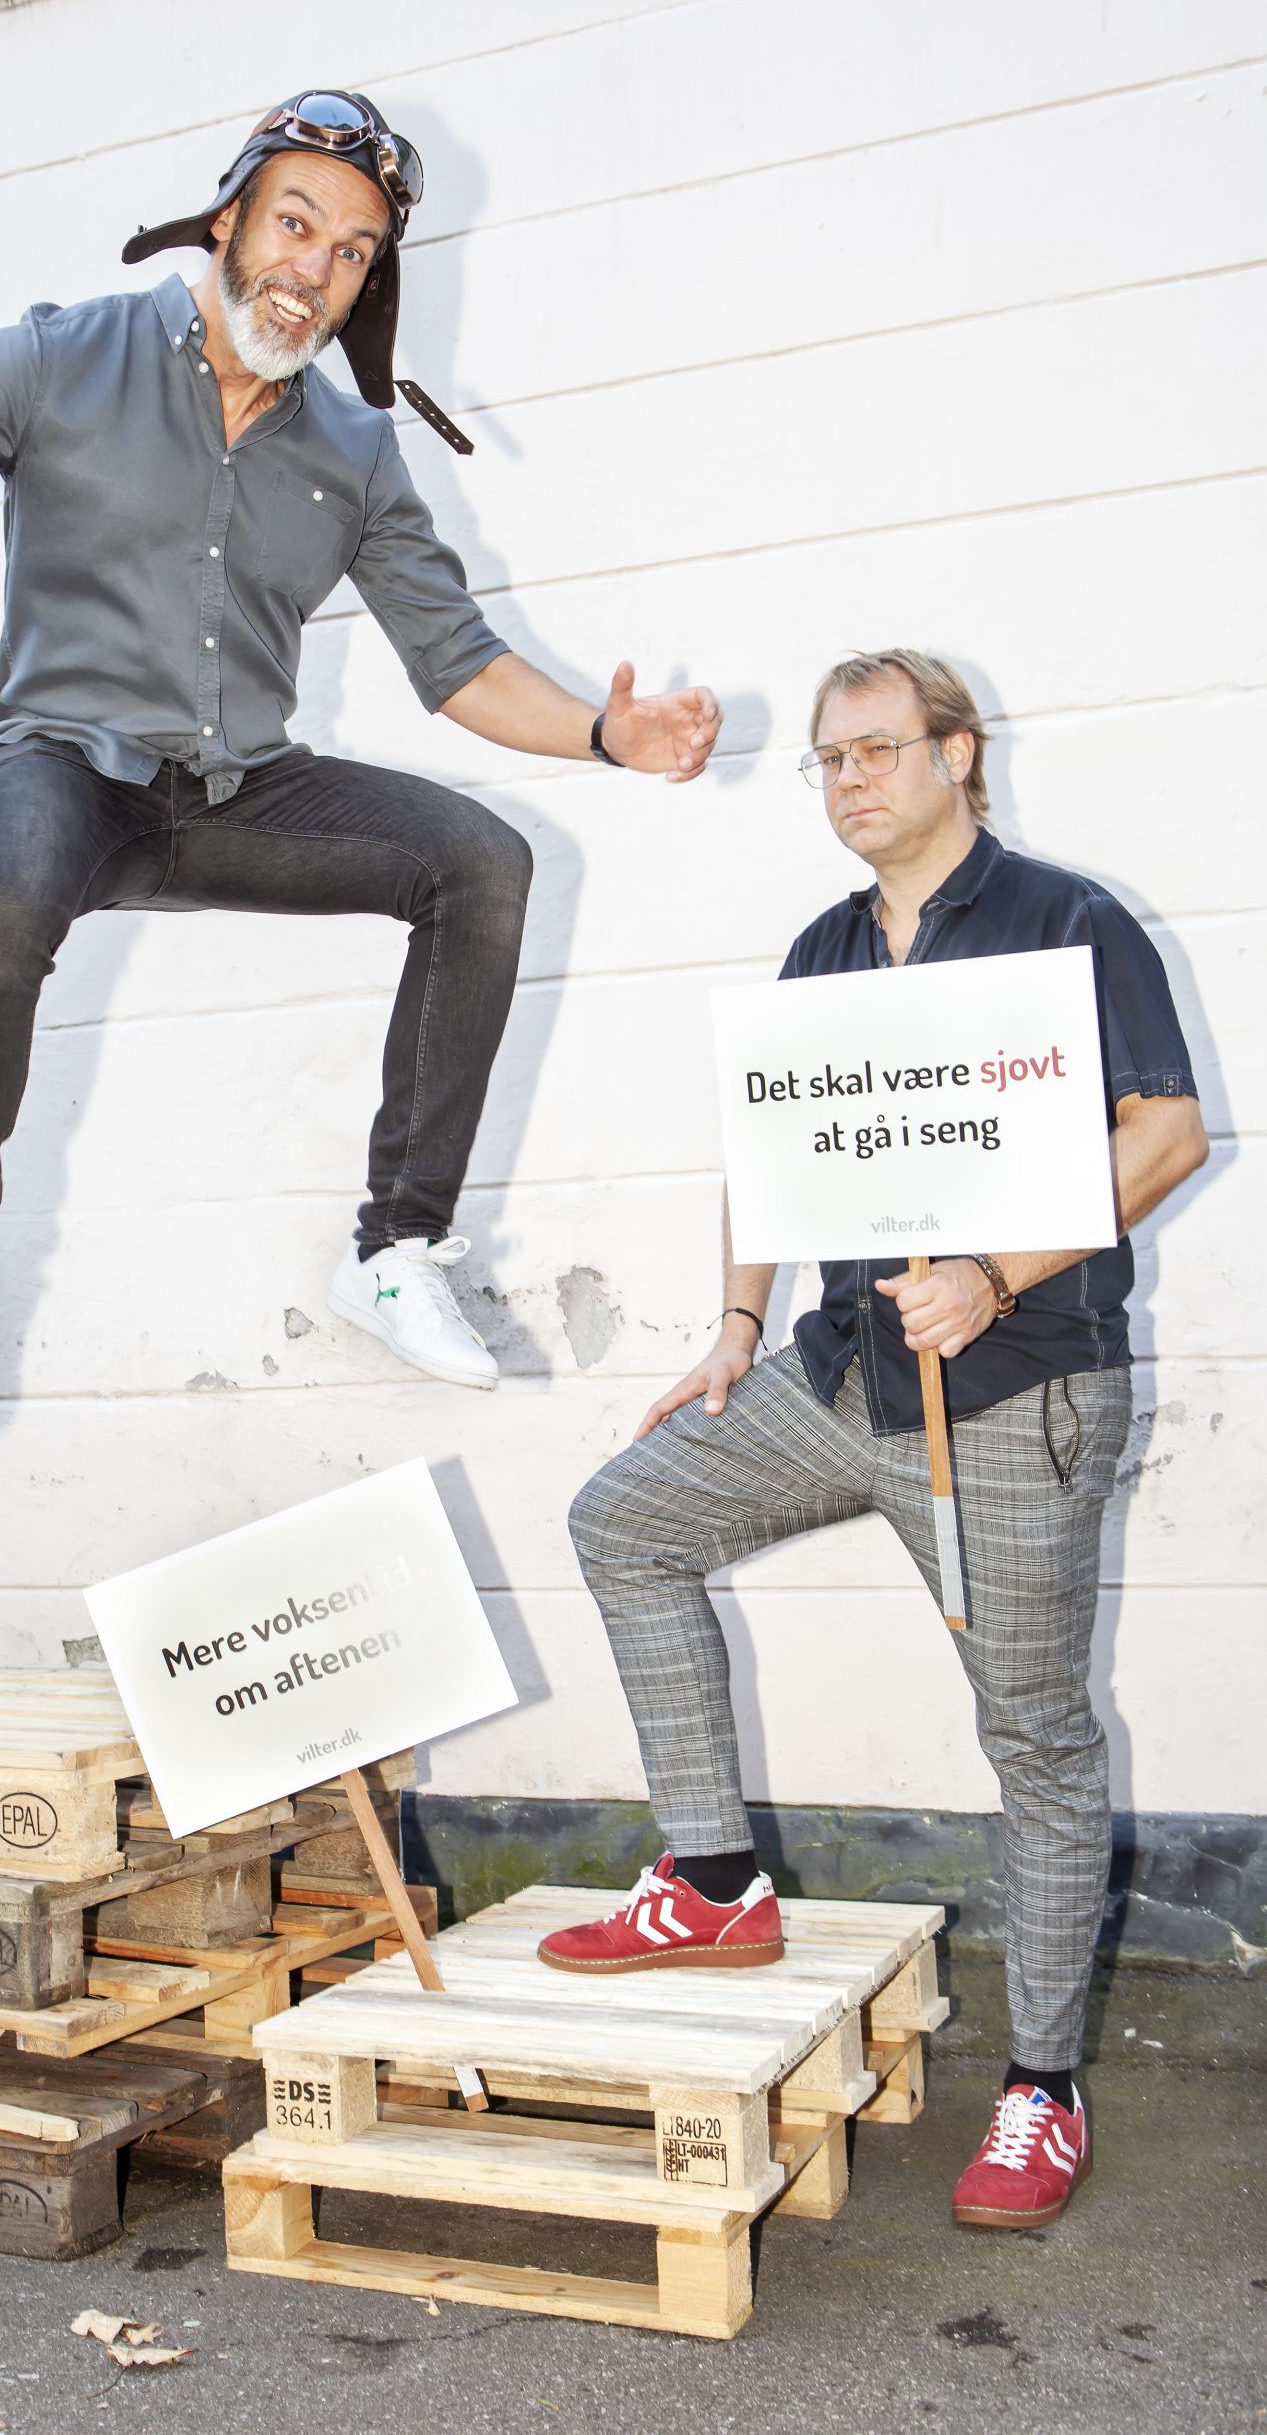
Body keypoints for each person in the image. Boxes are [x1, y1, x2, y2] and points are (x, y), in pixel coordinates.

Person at [0, 89, 720, 1439]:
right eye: (296, 223)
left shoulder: (357, 452)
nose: (315, 266)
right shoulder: (65, 356)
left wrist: (604, 732)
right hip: (64, 767)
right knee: (2, 898)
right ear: (229, 220)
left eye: (352, 252)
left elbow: (458, 660)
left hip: (241, 793)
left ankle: (397, 1252)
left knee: (484, 862)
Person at [542, 649, 1207, 2231]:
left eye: (880, 750)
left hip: (1018, 1391)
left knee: (1033, 1735)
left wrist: (996, 1273)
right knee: (626, 1521)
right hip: (847, 1375)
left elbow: (1167, 1133)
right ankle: (715, 1885)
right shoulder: (824, 951)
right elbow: (766, 1154)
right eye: (830, 760)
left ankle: (1040, 2088)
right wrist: (733, 1326)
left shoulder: (1069, 920)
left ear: (959, 755)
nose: (851, 780)